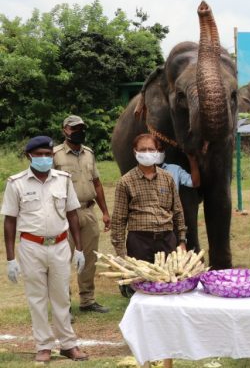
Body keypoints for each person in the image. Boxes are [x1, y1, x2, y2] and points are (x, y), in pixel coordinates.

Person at [3, 136, 88, 363]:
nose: (44, 158)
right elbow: (9, 220)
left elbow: (72, 214)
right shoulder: (16, 183)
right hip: (31, 246)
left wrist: (79, 248)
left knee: (62, 297)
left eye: (48, 155)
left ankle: (69, 345)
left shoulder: (64, 180)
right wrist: (11, 258)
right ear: (29, 156)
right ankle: (43, 345)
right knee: (37, 299)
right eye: (39, 154)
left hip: (60, 245)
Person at [52, 115, 111, 314]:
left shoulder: (89, 154)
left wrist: (104, 212)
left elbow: (97, 183)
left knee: (89, 258)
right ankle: (64, 305)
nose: (78, 132)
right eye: (73, 128)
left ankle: (87, 300)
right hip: (64, 215)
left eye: (81, 128)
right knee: (62, 260)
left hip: (88, 211)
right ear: (64, 130)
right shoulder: (55, 155)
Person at [110, 133, 187, 262]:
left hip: (167, 240)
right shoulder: (125, 181)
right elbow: (118, 219)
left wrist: (182, 241)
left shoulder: (167, 178)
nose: (147, 153)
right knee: (140, 280)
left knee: (168, 280)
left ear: (157, 152)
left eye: (151, 149)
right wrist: (121, 253)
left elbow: (178, 212)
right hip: (140, 242)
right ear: (135, 152)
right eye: (142, 150)